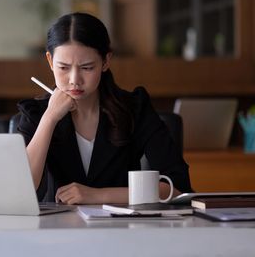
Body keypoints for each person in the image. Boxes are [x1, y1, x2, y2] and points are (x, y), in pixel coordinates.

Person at [17, 12, 192, 204]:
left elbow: (177, 188)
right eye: (63, 68)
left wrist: (97, 195)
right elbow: (21, 189)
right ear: (50, 61)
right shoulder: (36, 113)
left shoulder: (134, 108)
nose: (74, 80)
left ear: (106, 61)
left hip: (121, 229)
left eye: (87, 67)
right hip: (56, 230)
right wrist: (49, 118)